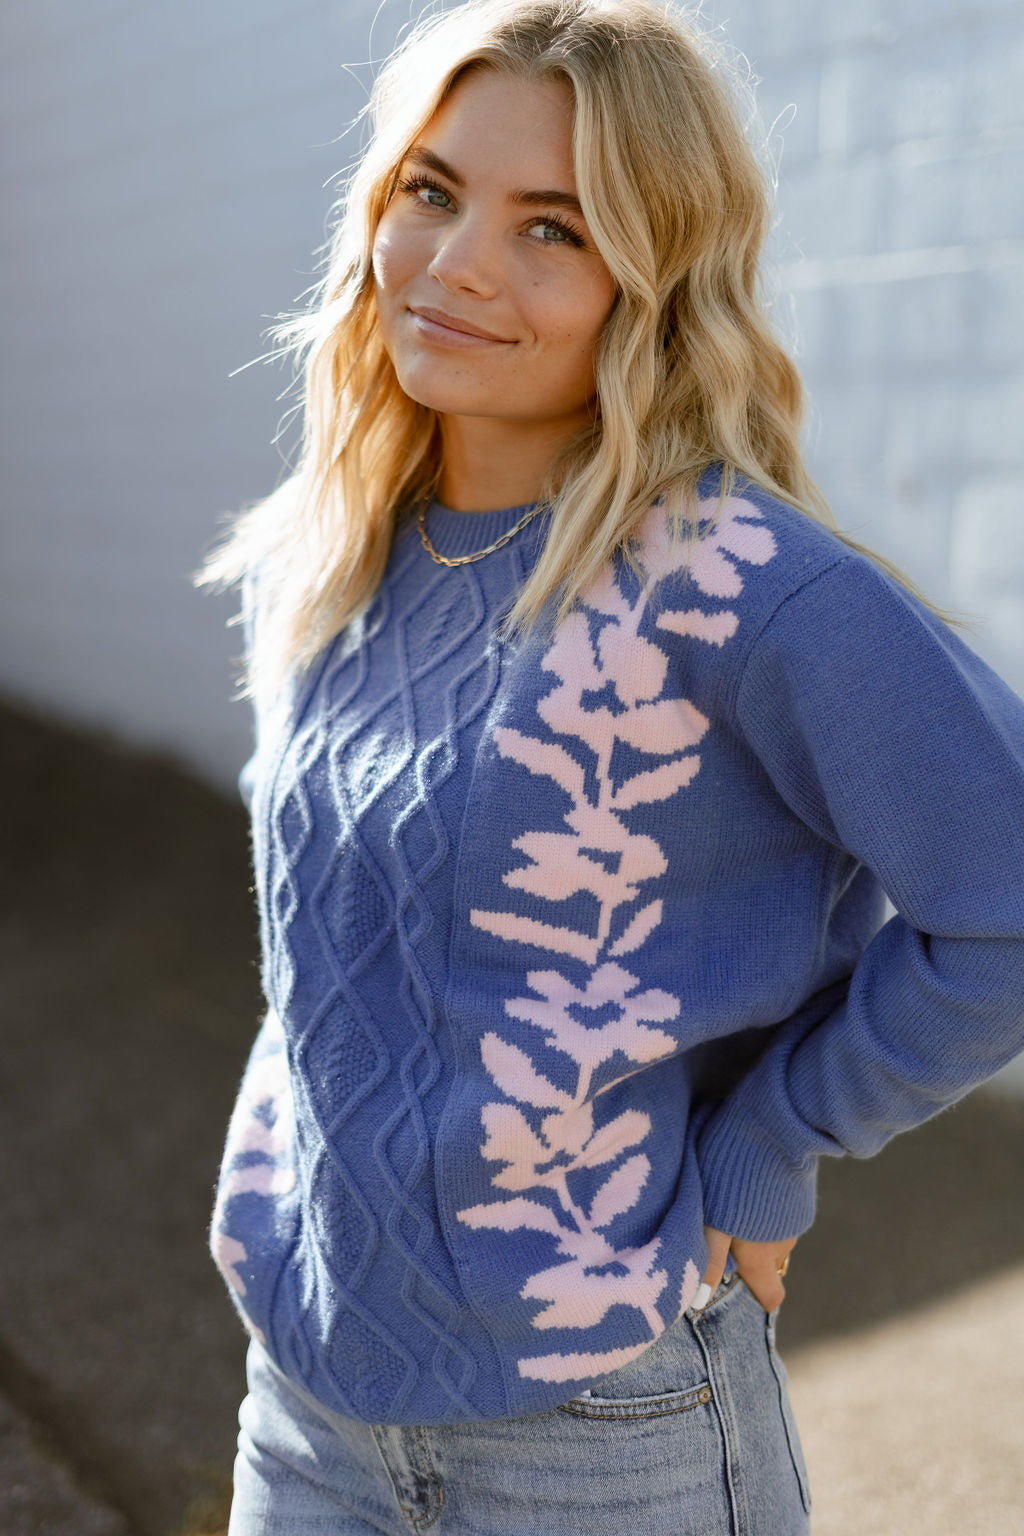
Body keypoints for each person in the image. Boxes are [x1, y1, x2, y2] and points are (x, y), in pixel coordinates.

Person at [195, 1, 1024, 1531]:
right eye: (430, 192)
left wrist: (772, 1142)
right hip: (305, 1405)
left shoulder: (738, 584)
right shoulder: (317, 560)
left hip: (604, 1429)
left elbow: (1005, 899)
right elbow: (335, 949)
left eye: (554, 230)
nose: (455, 267)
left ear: (654, 282)